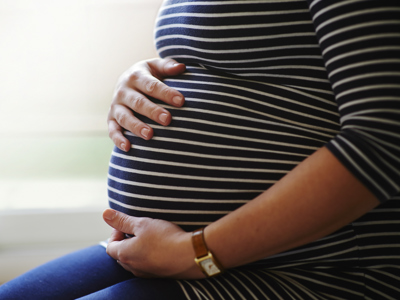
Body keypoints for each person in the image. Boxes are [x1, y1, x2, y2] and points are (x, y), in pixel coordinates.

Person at [1, 0, 399, 299]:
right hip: (180, 253)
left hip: (318, 269)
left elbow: (384, 137)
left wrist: (198, 253)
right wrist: (140, 82)